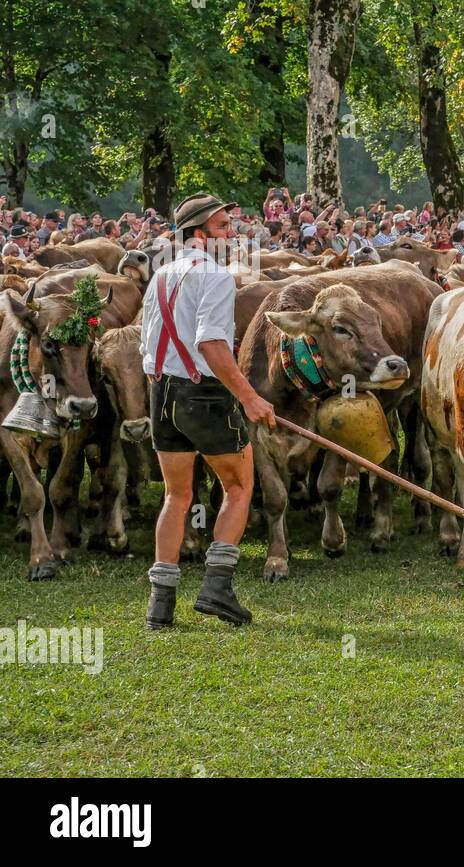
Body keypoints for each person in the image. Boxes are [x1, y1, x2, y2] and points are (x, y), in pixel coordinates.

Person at [140, 193, 277, 631]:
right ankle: (217, 589)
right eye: (222, 227)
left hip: (161, 393)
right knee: (238, 486)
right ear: (199, 234)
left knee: (176, 497)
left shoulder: (159, 274)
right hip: (205, 395)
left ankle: (160, 606)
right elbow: (212, 345)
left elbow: (147, 349)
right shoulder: (216, 277)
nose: (232, 233)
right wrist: (250, 397)